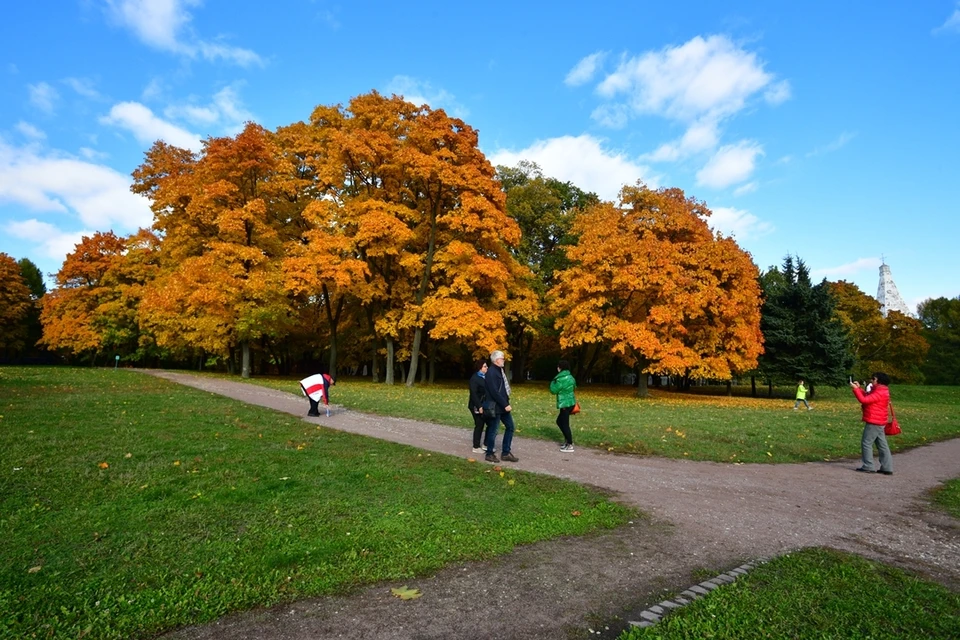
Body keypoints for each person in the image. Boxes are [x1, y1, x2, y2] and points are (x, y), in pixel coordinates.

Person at [851, 372, 893, 475]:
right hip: (879, 421)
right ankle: (887, 467)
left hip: (874, 421)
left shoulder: (880, 391)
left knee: (866, 443)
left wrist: (855, 389)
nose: (871, 380)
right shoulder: (880, 390)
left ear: (879, 380)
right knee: (882, 445)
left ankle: (868, 465)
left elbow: (864, 400)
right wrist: (859, 388)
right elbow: (868, 396)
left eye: (873, 379)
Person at [483, 350, 518, 463]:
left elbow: (502, 390)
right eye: (502, 358)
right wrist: (505, 404)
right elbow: (494, 392)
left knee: (510, 427)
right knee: (494, 430)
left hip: (502, 406)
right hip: (496, 406)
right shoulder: (492, 372)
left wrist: (505, 403)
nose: (503, 360)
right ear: (497, 360)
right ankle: (489, 453)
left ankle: (506, 452)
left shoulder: (499, 371)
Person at [549, 359, 577, 452]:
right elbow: (574, 387)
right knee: (559, 421)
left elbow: (553, 390)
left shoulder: (559, 379)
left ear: (560, 368)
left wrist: (553, 381)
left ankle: (569, 444)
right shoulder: (571, 377)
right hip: (571, 403)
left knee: (564, 424)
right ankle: (567, 441)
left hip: (564, 404)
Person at [468, 359, 489, 454]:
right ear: (480, 368)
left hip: (484, 404)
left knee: (489, 423)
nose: (487, 367)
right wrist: (479, 406)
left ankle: (486, 444)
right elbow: (474, 394)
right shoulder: (475, 379)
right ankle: (476, 446)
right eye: (485, 366)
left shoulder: (485, 377)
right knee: (479, 424)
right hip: (475, 405)